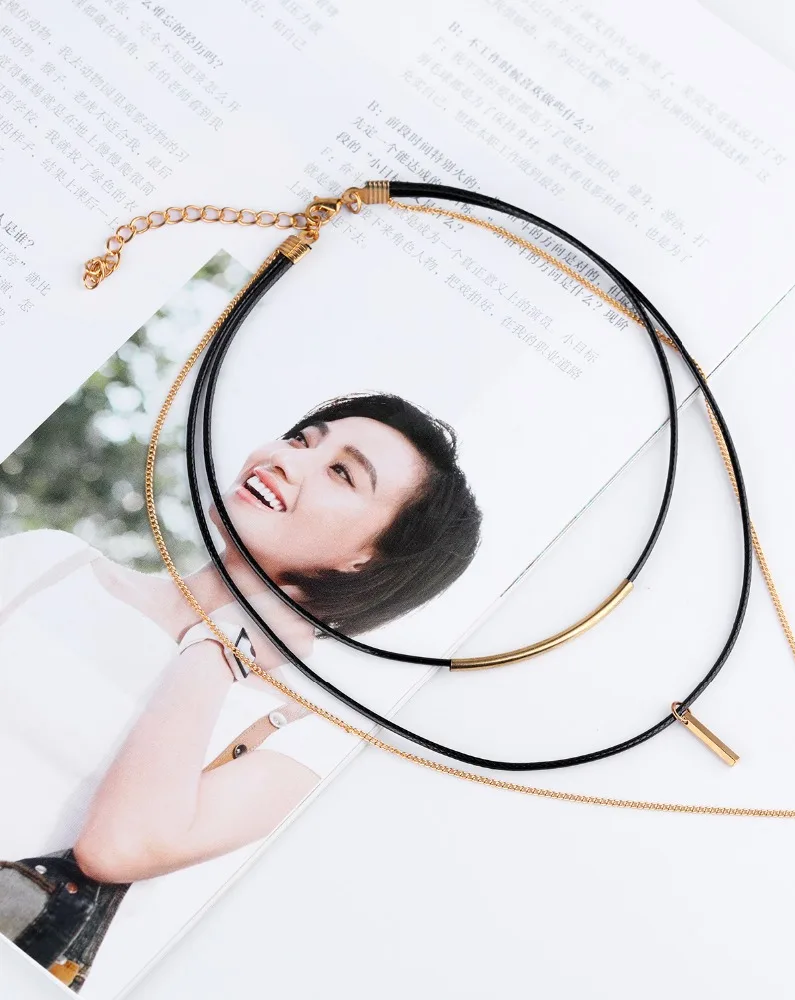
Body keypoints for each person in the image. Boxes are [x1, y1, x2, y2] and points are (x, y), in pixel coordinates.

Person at [0, 392, 482, 995]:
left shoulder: (298, 733)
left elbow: (117, 847)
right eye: (302, 439)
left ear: (367, 558)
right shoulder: (51, 563)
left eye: (341, 473)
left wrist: (220, 644)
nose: (288, 459)